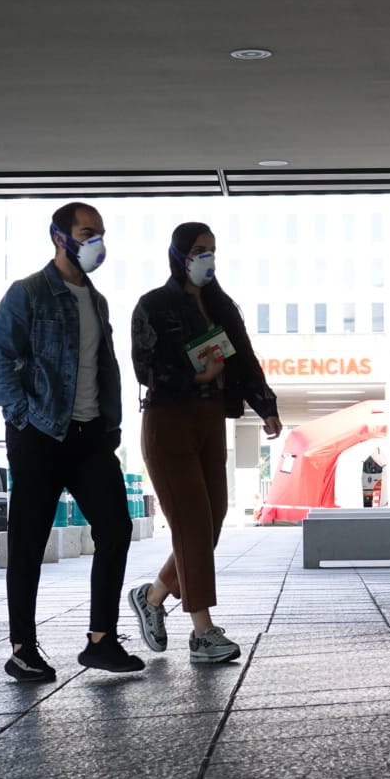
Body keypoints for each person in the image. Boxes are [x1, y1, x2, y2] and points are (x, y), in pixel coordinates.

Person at [0, 202, 144, 681]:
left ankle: (101, 640)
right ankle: (22, 648)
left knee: (115, 529)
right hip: (41, 436)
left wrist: (110, 426)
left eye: (101, 233)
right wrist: (24, 416)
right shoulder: (28, 294)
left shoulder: (96, 300)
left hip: (91, 437)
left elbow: (105, 368)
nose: (97, 242)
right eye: (88, 232)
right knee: (29, 541)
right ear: (60, 237)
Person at [127, 222, 282, 664]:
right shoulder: (153, 305)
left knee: (210, 523)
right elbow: (145, 368)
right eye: (198, 251)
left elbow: (244, 359)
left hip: (211, 421)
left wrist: (265, 404)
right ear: (177, 254)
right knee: (192, 524)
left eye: (212, 251)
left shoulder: (221, 306)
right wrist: (197, 376)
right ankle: (203, 631)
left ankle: (153, 597)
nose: (206, 259)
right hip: (168, 421)